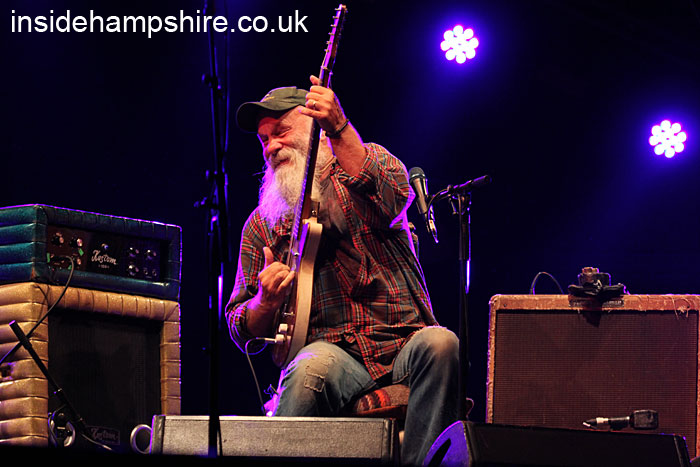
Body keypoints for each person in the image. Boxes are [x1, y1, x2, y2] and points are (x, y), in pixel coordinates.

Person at [225, 75, 460, 466]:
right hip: (331, 351)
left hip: (403, 339)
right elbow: (239, 324)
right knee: (307, 371)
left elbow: (397, 195)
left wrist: (340, 128)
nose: (271, 147)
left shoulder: (365, 163)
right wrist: (265, 301)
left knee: (442, 344)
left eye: (281, 132)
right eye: (264, 140)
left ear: (314, 125)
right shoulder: (262, 223)